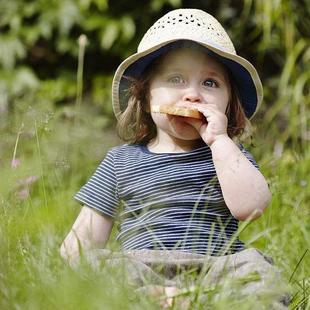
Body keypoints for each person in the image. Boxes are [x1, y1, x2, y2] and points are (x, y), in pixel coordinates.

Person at [60, 8, 289, 308]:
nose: (193, 94)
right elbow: (79, 246)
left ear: (229, 104)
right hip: (142, 268)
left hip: (216, 271)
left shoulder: (228, 156)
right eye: (176, 79)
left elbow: (253, 208)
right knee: (103, 267)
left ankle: (198, 301)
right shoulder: (120, 161)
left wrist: (220, 141)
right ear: (144, 96)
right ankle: (163, 299)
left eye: (210, 83)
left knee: (259, 273)